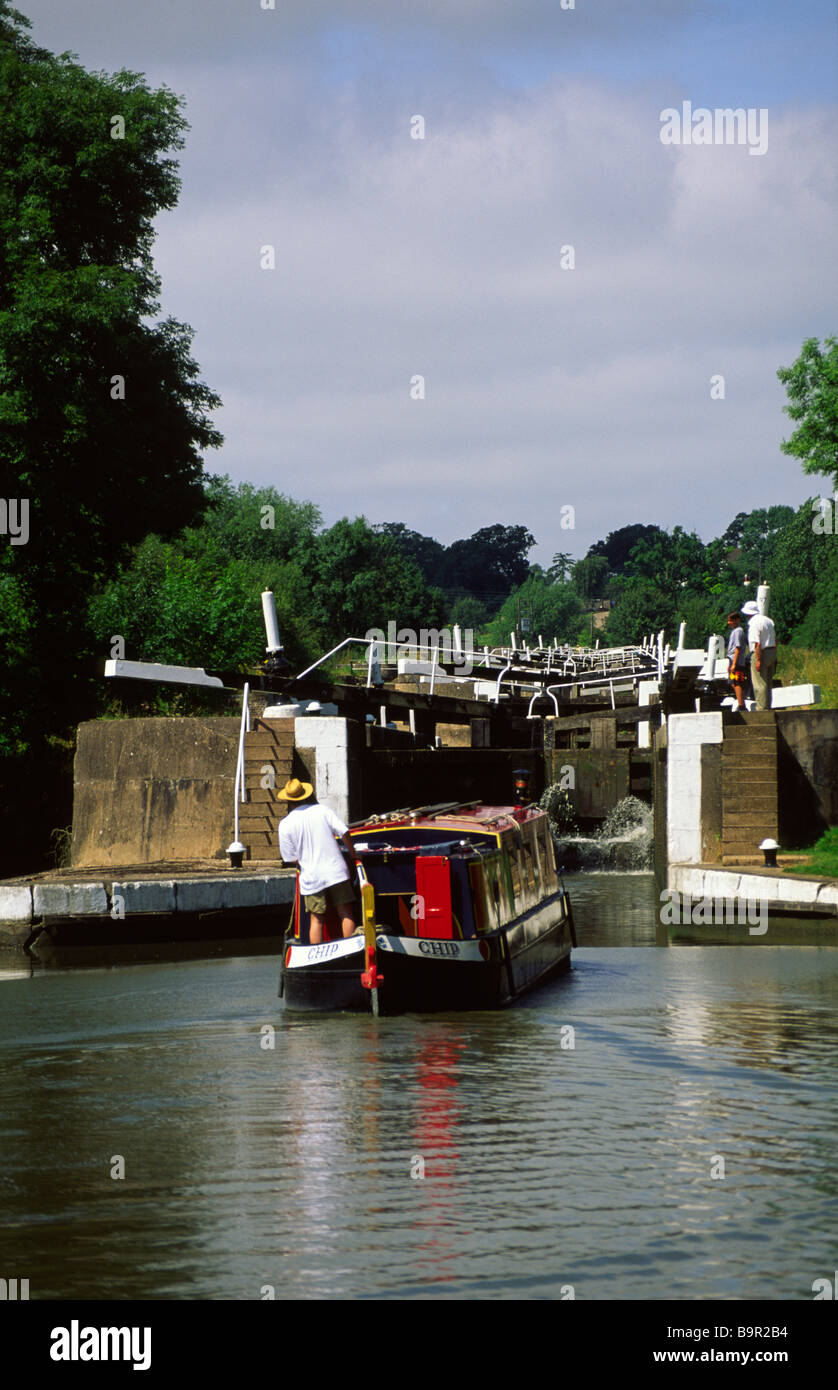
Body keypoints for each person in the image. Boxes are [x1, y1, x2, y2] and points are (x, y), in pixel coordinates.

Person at [277, 778, 357, 944]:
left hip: (312, 876)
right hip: (336, 871)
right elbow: (344, 832)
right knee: (345, 912)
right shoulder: (322, 810)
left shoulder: (285, 825)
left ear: (288, 801)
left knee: (316, 919)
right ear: (305, 796)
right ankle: (351, 952)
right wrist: (353, 854)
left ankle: (318, 957)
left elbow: (291, 859)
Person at [741, 600, 777, 710]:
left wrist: (758, 660)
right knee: (768, 683)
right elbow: (775, 639)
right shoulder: (768, 621)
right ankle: (768, 706)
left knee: (759, 683)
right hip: (771, 651)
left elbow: (757, 643)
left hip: (761, 652)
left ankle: (761, 709)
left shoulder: (753, 624)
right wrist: (775, 655)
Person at [725, 611, 749, 709]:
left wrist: (734, 663)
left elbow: (738, 648)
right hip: (732, 660)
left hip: (736, 661)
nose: (728, 623)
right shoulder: (735, 631)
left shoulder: (738, 631)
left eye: (730, 621)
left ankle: (741, 705)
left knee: (736, 681)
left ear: (736, 620)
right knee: (732, 681)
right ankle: (741, 702)